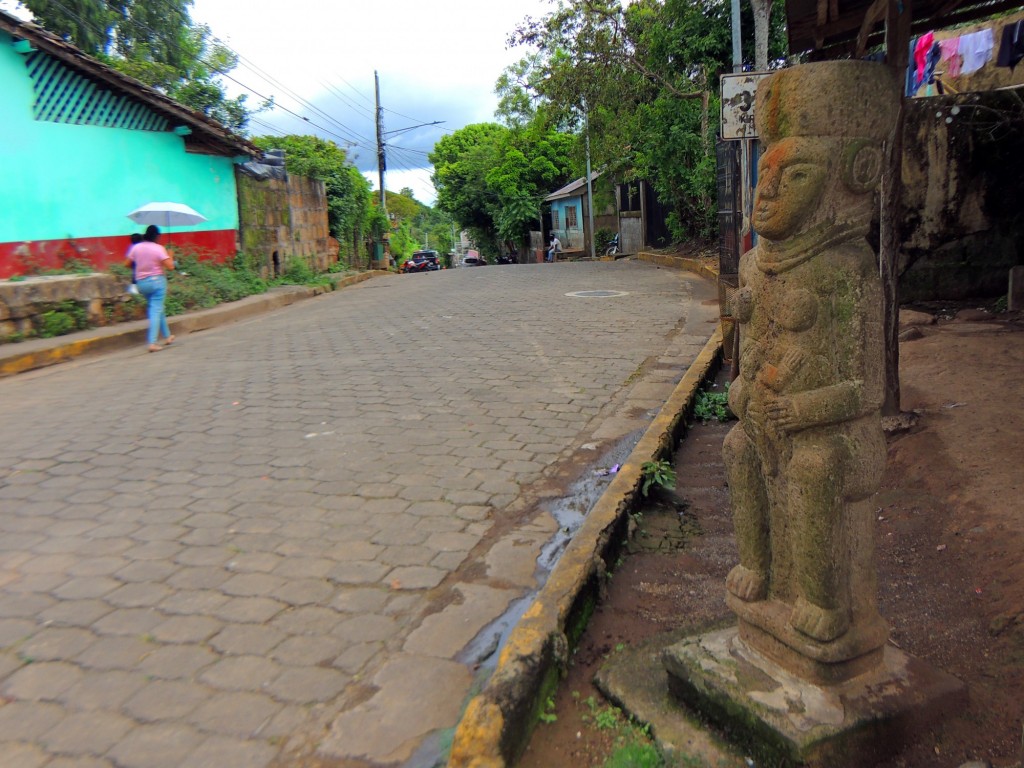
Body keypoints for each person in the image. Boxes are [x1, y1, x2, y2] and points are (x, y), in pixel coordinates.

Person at [126, 225, 175, 352]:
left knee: (157, 308)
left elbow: (127, 264)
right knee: (155, 310)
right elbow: (170, 266)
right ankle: (152, 343)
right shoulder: (159, 249)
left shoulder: (136, 247)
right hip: (157, 282)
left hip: (141, 284)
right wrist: (170, 255)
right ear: (157, 236)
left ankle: (167, 336)